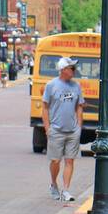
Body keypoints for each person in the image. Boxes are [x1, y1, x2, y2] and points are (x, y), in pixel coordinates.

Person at [41, 56, 84, 202]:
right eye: (72, 68)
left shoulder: (76, 86)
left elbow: (79, 106)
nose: (74, 71)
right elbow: (45, 108)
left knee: (70, 161)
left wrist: (79, 126)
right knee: (55, 161)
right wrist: (48, 128)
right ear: (63, 70)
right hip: (56, 130)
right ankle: (54, 184)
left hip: (72, 131)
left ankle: (66, 189)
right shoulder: (51, 85)